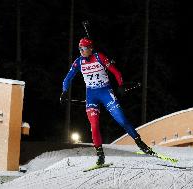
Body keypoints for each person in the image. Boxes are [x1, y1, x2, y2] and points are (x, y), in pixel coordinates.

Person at [60, 37, 154, 166]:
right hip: (91, 95)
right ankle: (100, 155)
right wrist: (64, 91)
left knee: (122, 120)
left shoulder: (99, 57)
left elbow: (116, 73)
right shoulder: (78, 62)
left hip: (105, 93)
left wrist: (120, 85)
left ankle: (140, 144)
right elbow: (67, 79)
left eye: (85, 48)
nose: (82, 51)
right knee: (94, 125)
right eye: (80, 49)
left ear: (91, 48)